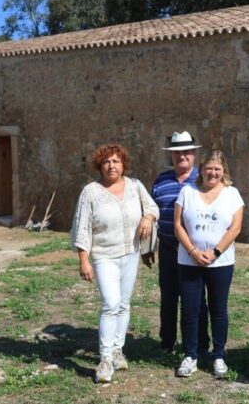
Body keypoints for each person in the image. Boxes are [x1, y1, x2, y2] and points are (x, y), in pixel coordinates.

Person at [71, 143, 159, 383]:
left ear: (123, 165)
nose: (112, 165)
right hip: (104, 255)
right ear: (100, 166)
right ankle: (105, 358)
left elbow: (152, 207)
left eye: (116, 161)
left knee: (124, 303)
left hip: (130, 253)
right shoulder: (91, 192)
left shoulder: (135, 186)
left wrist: (148, 218)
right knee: (110, 303)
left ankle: (118, 350)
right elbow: (82, 227)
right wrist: (83, 260)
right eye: (107, 162)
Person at [173, 150, 244, 378]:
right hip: (189, 261)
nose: (212, 172)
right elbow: (178, 224)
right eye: (209, 168)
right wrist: (193, 251)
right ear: (201, 169)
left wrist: (215, 252)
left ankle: (219, 356)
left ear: (224, 171)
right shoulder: (187, 191)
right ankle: (190, 355)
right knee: (191, 309)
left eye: (217, 169)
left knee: (218, 309)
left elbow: (235, 228)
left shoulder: (232, 194)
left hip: (220, 262)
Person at [150, 132, 210, 355]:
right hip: (167, 249)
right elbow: (151, 211)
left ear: (193, 154)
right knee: (168, 297)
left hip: (194, 252)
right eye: (177, 153)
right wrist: (149, 247)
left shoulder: (202, 180)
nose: (182, 156)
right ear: (172, 156)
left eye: (186, 152)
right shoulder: (161, 180)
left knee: (195, 299)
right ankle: (167, 343)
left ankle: (199, 345)